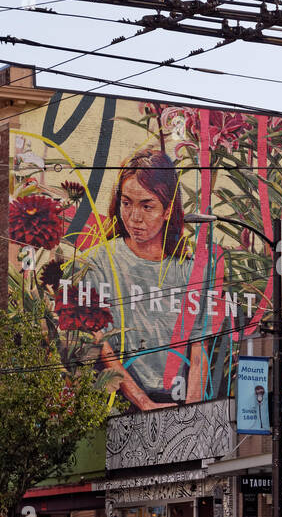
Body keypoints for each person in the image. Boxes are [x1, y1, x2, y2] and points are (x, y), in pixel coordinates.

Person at [87, 147, 213, 411]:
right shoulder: (98, 262)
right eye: (126, 203)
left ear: (168, 210)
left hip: (178, 406)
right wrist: (144, 403)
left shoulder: (190, 269)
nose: (134, 217)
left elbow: (198, 349)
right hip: (117, 409)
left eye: (147, 206)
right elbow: (102, 345)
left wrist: (191, 411)